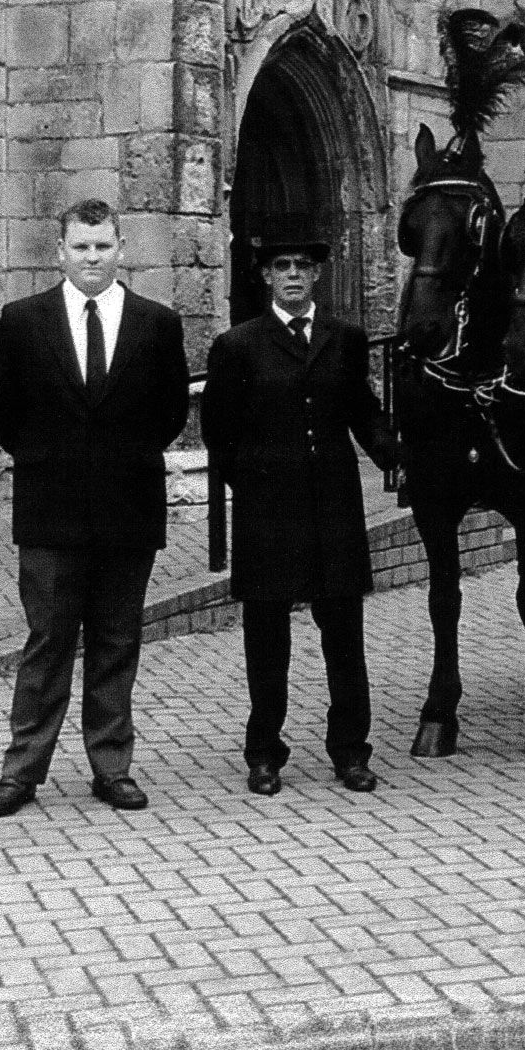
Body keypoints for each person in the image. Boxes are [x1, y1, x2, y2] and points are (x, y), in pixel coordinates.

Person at [0, 199, 193, 817]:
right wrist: (55, 460)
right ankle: (21, 772)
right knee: (48, 641)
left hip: (129, 507)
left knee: (116, 640)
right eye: (81, 248)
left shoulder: (157, 324)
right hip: (50, 511)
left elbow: (170, 414)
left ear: (120, 249)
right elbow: (1, 413)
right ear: (61, 252)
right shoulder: (23, 320)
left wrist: (117, 461)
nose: (92, 259)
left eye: (102, 247)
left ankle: (112, 766)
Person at [202, 214, 396, 797]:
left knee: (344, 635)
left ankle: (350, 752)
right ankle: (264, 753)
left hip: (334, 507)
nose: (292, 276)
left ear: (316, 276)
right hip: (269, 512)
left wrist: (398, 456)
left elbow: (363, 413)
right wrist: (255, 483)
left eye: (302, 268)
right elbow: (219, 431)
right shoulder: (237, 345)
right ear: (265, 277)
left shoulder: (345, 339)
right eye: (281, 267)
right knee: (267, 639)